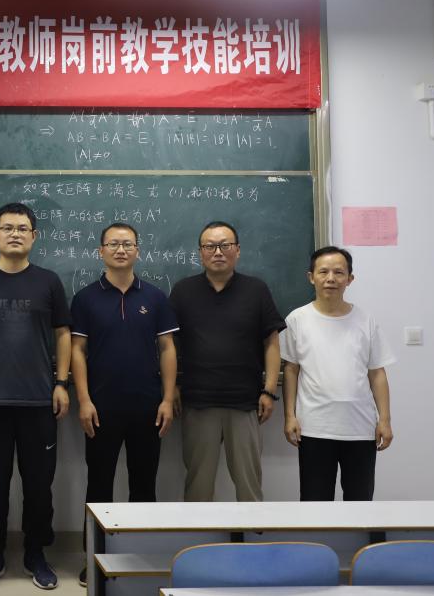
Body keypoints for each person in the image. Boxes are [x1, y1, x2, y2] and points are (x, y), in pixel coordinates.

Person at [0, 202, 71, 591]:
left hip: (39, 401)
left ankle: (36, 555)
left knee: (39, 487)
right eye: (7, 228)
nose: (15, 234)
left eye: (22, 228)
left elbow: (63, 334)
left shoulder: (49, 281)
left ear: (34, 236)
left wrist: (61, 383)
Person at [70, 222, 178, 586]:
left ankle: (138, 558)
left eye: (127, 244)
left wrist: (167, 399)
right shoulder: (85, 298)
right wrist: (84, 400)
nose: (120, 249)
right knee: (99, 486)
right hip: (100, 408)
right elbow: (78, 351)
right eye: (113, 244)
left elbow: (167, 349)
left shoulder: (155, 297)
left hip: (148, 406)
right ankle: (94, 559)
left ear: (137, 251)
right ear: (100, 251)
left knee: (144, 485)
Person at [169, 220, 285, 502]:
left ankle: (252, 530)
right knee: (198, 484)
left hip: (244, 401)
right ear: (200, 252)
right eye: (210, 246)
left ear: (238, 250)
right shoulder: (183, 291)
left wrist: (270, 390)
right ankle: (198, 532)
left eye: (225, 245)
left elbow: (271, 343)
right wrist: (171, 388)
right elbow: (169, 345)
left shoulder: (256, 290)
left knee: (249, 484)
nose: (218, 252)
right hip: (198, 402)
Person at [280, 246, 395, 501]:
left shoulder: (365, 320)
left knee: (360, 501)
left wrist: (385, 420)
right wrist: (289, 416)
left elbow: (377, 373)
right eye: (323, 272)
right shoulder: (297, 320)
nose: (330, 278)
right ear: (311, 277)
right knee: (315, 502)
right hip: (314, 428)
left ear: (350, 279)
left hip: (360, 428)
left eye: (339, 272)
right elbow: (291, 370)